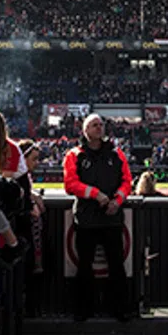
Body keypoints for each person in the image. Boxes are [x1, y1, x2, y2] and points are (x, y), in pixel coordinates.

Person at [64, 114, 132, 322]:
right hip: (86, 219)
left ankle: (120, 310)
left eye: (101, 125)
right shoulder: (74, 155)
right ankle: (83, 311)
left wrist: (116, 201)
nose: (99, 128)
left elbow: (127, 181)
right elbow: (70, 184)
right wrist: (96, 194)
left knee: (116, 266)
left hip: (112, 217)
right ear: (85, 130)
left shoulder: (116, 153)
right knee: (84, 266)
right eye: (94, 125)